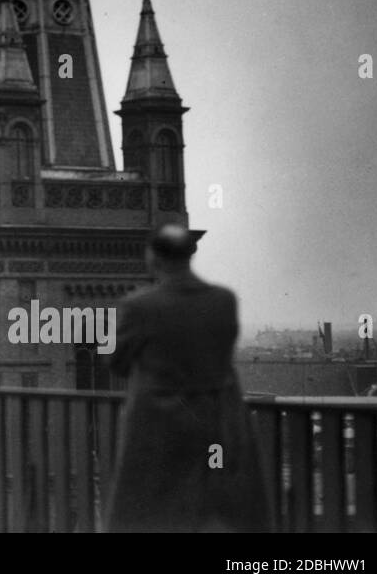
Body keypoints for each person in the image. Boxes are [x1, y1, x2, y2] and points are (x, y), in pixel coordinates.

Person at [104, 223, 273, 533]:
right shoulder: (224, 300)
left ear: (153, 258)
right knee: (212, 508)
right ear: (190, 254)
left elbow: (117, 363)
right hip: (216, 422)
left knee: (155, 512)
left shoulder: (139, 306)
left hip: (159, 426)